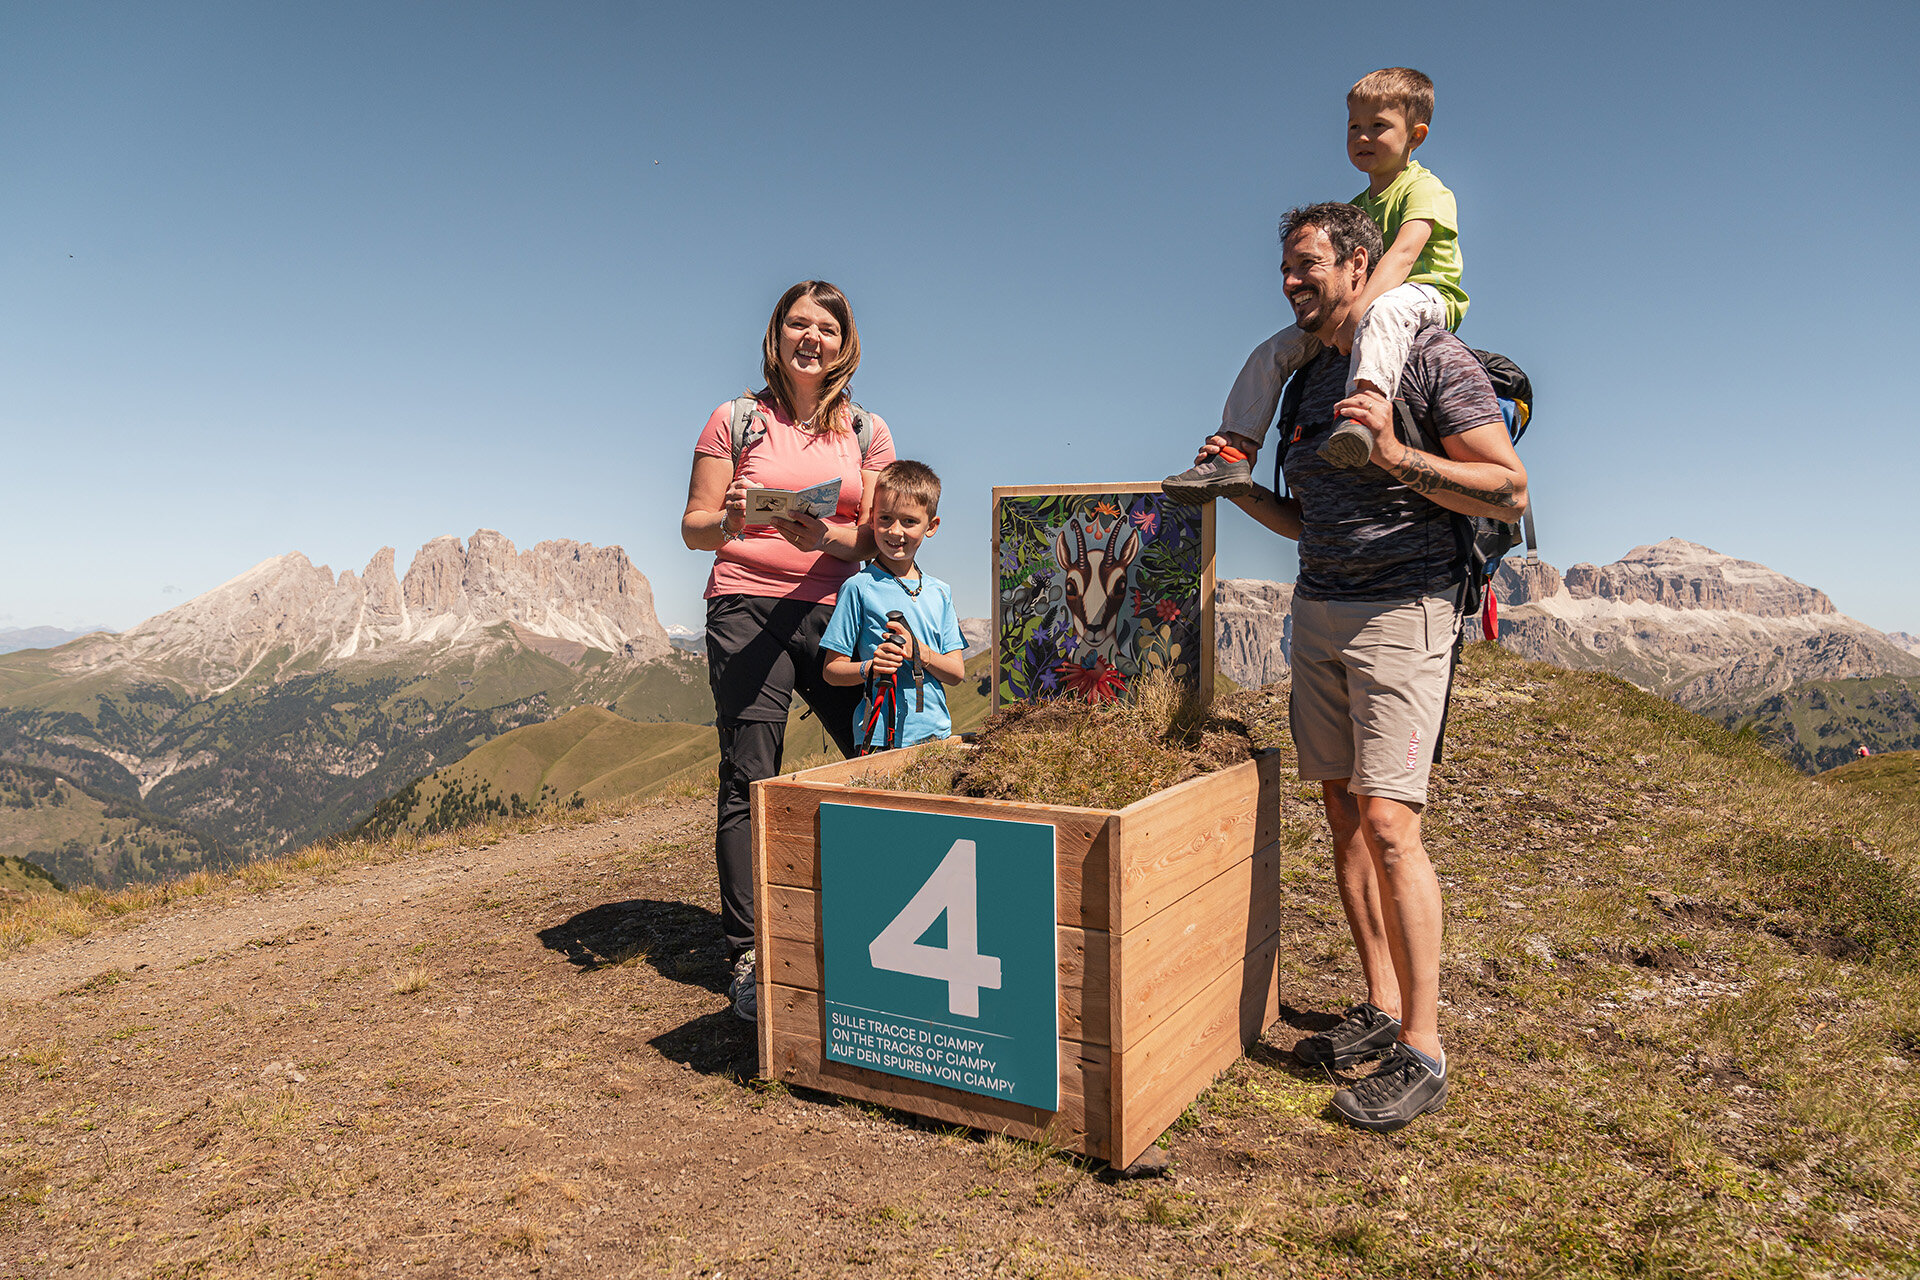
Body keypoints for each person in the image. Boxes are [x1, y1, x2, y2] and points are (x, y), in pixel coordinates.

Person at [1217, 203, 1526, 1131]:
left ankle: (1425, 1048)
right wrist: (1241, 492)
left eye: (1308, 265)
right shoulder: (1307, 381)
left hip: (1408, 613)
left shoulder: (1428, 358)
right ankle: (1381, 1006)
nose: (1291, 282)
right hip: (1318, 607)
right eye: (1283, 268)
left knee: (1392, 825)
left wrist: (1393, 451)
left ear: (1359, 264)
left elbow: (1506, 488)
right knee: (1344, 816)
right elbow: (1310, 519)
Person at [680, 280, 895, 1022]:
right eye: (798, 324)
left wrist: (825, 537)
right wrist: (732, 521)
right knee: (751, 774)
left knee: (885, 751)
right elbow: (694, 527)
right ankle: (748, 954)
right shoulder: (734, 419)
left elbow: (875, 537)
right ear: (776, 336)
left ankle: (885, 918)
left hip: (838, 607)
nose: (812, 338)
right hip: (745, 604)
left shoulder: (869, 432)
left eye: (826, 327)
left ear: (845, 341)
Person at [1165, 67, 1468, 501]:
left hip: (1427, 294)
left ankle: (1361, 417)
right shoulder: (1357, 206)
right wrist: (1347, 315)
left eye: (1378, 126)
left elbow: (1403, 254)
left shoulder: (1425, 188)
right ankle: (1235, 450)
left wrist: (1358, 313)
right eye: (1353, 127)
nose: (1362, 137)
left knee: (1386, 312)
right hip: (1369, 303)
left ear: (1416, 135)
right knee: (1274, 350)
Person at [819, 461, 968, 751]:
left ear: (932, 526)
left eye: (909, 521)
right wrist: (870, 667)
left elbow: (956, 673)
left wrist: (920, 653)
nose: (895, 531)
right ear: (872, 518)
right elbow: (832, 671)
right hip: (876, 738)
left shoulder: (940, 592)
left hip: (936, 737)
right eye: (886, 518)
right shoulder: (858, 588)